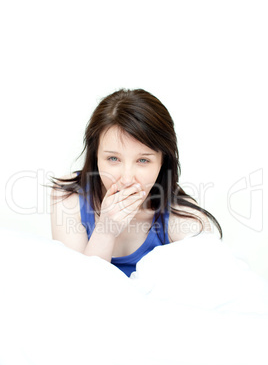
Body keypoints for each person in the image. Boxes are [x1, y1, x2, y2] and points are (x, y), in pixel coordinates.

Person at [50, 88, 222, 277]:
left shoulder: (185, 219)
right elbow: (75, 291)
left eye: (143, 161)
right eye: (113, 159)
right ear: (95, 155)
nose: (126, 178)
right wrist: (106, 230)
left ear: (162, 162)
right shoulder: (68, 197)